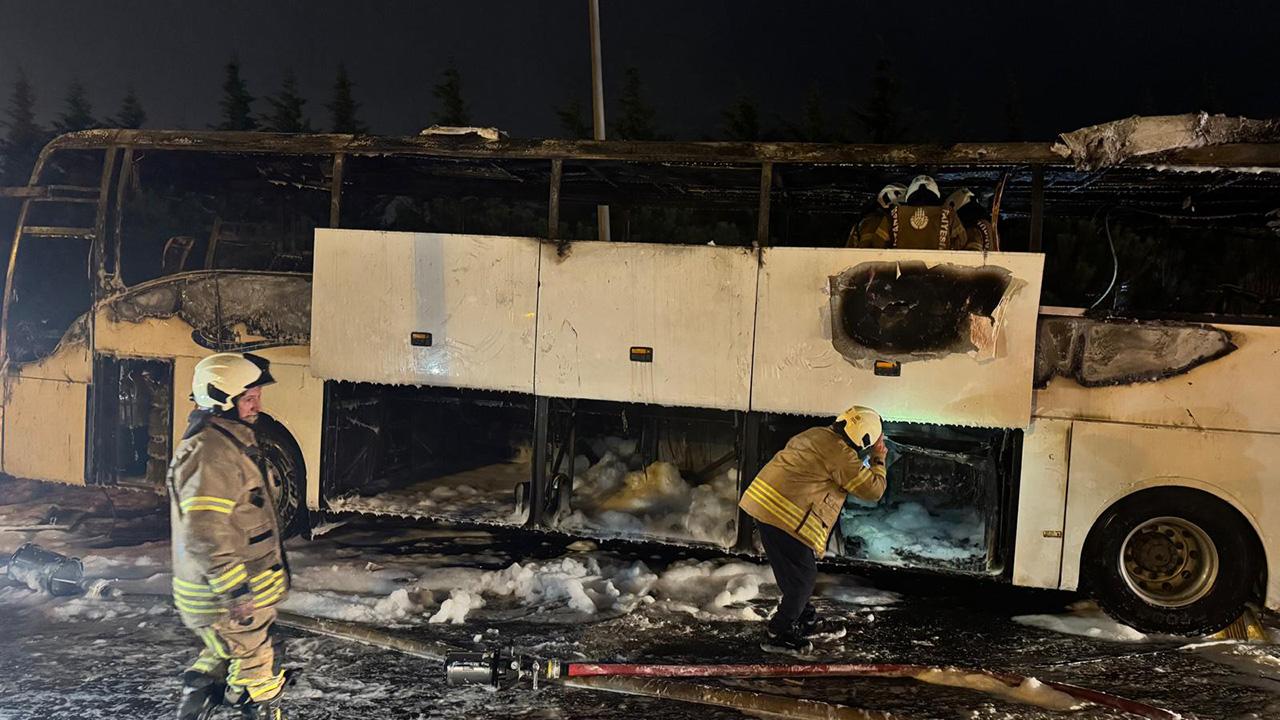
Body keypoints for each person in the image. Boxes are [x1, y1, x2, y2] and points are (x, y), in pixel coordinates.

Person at [170, 352, 291, 720]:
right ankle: (255, 704)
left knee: (224, 654)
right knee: (260, 677)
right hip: (227, 597)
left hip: (230, 595)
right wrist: (235, 591)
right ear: (220, 400)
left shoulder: (226, 442)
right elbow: (204, 532)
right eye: (249, 398)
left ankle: (199, 694)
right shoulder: (212, 453)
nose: (257, 406)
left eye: (257, 396)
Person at [739, 406, 888, 653]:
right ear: (865, 437)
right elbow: (873, 490)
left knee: (794, 575)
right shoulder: (840, 454)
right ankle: (778, 632)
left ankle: (804, 619)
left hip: (766, 507)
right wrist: (878, 458)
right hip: (783, 515)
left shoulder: (817, 434)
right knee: (802, 581)